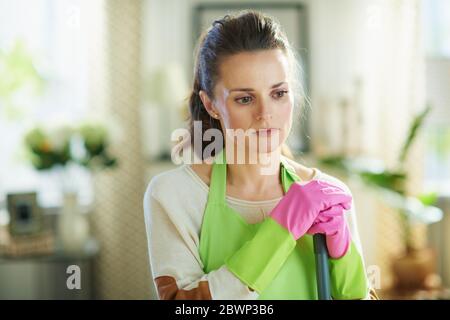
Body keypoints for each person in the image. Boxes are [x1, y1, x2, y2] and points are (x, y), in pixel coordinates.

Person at [143, 10, 378, 300]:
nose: (265, 114)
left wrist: (343, 256)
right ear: (211, 104)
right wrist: (281, 229)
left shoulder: (329, 195)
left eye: (278, 93)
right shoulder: (174, 195)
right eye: (245, 98)